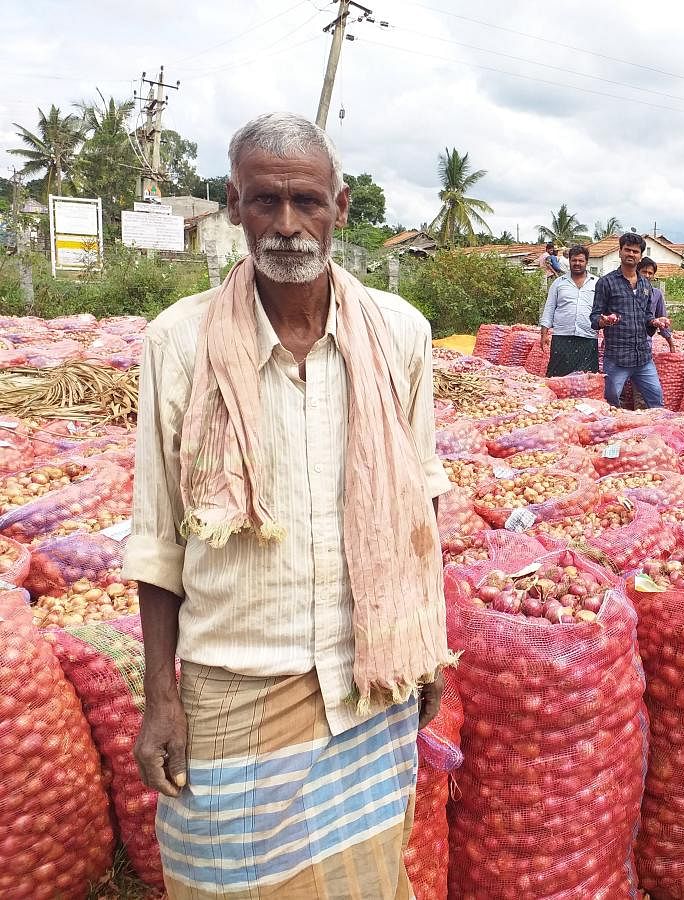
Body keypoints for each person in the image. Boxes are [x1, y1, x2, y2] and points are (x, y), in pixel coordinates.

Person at [124, 112, 455, 899]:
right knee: (221, 879)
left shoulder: (400, 336)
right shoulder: (178, 342)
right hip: (236, 680)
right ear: (233, 205)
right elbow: (158, 537)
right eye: (264, 201)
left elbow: (421, 500)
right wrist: (160, 700)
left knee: (364, 881)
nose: (286, 224)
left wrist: (426, 642)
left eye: (305, 200)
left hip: (367, 678)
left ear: (341, 207)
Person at [589, 232, 671, 408]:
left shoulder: (646, 285)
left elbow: (647, 316)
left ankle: (658, 433)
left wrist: (655, 322)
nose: (631, 254)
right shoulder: (606, 282)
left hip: (643, 358)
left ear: (640, 256)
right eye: (627, 250)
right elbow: (594, 318)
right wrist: (603, 321)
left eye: (635, 251)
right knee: (611, 404)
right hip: (617, 358)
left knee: (656, 401)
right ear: (620, 252)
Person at [540, 244, 599, 376]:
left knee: (586, 381)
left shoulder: (597, 283)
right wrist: (544, 334)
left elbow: (603, 310)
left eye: (581, 260)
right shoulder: (558, 283)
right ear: (570, 261)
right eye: (574, 260)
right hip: (562, 337)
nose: (577, 263)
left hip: (587, 337)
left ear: (586, 262)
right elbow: (549, 308)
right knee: (557, 379)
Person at [636, 257, 677, 354]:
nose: (647, 275)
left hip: (645, 342)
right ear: (637, 272)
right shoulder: (629, 291)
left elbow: (662, 319)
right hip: (625, 341)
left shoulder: (656, 294)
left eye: (650, 273)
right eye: (644, 272)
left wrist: (671, 345)